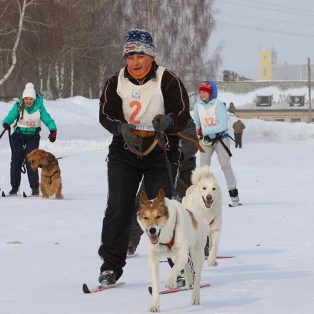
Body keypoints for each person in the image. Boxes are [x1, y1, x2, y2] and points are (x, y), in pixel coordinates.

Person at [96, 28, 191, 285]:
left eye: (140, 55)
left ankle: (180, 264)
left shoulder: (167, 80)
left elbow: (182, 112)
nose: (135, 62)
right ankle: (111, 266)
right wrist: (121, 128)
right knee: (118, 206)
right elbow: (106, 114)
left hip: (159, 150)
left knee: (163, 209)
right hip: (124, 150)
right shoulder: (115, 82)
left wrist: (169, 120)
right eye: (130, 56)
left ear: (151, 56)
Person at [128, 119, 199, 255]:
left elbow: (192, 143)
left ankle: (200, 242)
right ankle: (131, 239)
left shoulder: (184, 119)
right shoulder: (152, 118)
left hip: (182, 169)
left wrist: (178, 155)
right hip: (157, 168)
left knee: (187, 208)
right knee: (141, 204)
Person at [192, 80, 241, 207]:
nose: (201, 94)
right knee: (203, 169)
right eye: (200, 92)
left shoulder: (218, 105)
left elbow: (223, 125)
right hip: (205, 140)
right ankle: (203, 198)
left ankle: (234, 196)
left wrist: (205, 130)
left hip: (221, 139)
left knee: (225, 165)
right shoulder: (197, 105)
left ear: (210, 93)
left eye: (204, 92)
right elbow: (197, 121)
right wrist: (198, 133)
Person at [2, 83, 57, 196]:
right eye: (26, 99)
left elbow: (48, 119)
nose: (28, 101)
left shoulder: (39, 107)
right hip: (18, 136)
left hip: (33, 137)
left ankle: (34, 187)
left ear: (34, 98)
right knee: (16, 161)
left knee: (32, 161)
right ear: (23, 98)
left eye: (30, 99)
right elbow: (11, 115)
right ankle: (14, 187)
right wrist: (7, 123)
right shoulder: (18, 106)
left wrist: (53, 130)